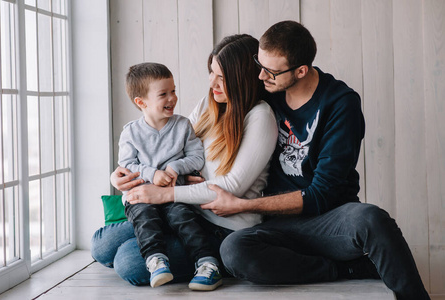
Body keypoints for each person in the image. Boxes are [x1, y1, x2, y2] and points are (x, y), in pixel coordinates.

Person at [199, 21, 430, 300]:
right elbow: (212, 118)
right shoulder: (267, 91)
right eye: (259, 65)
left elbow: (321, 193)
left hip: (330, 219)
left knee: (372, 219)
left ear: (301, 70)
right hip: (276, 226)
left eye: (270, 71)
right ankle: (344, 270)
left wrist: (243, 205)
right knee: (233, 250)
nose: (260, 76)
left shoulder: (340, 103)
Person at [91, 34, 278, 289]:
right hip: (188, 211)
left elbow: (232, 186)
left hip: (221, 226)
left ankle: (211, 262)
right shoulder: (208, 104)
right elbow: (175, 150)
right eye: (211, 72)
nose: (212, 82)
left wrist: (164, 194)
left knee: (129, 262)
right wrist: (120, 175)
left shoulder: (260, 117)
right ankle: (165, 253)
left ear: (242, 78)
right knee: (102, 245)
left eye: (221, 77)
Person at [119, 62, 228, 290]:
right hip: (141, 195)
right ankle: (156, 261)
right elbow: (126, 165)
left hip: (173, 194)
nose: (172, 98)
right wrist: (152, 173)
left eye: (173, 91)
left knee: (185, 219)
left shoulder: (182, 125)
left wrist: (174, 168)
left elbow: (197, 157)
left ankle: (207, 262)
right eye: (163, 94)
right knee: (146, 220)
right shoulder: (131, 132)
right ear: (141, 102)